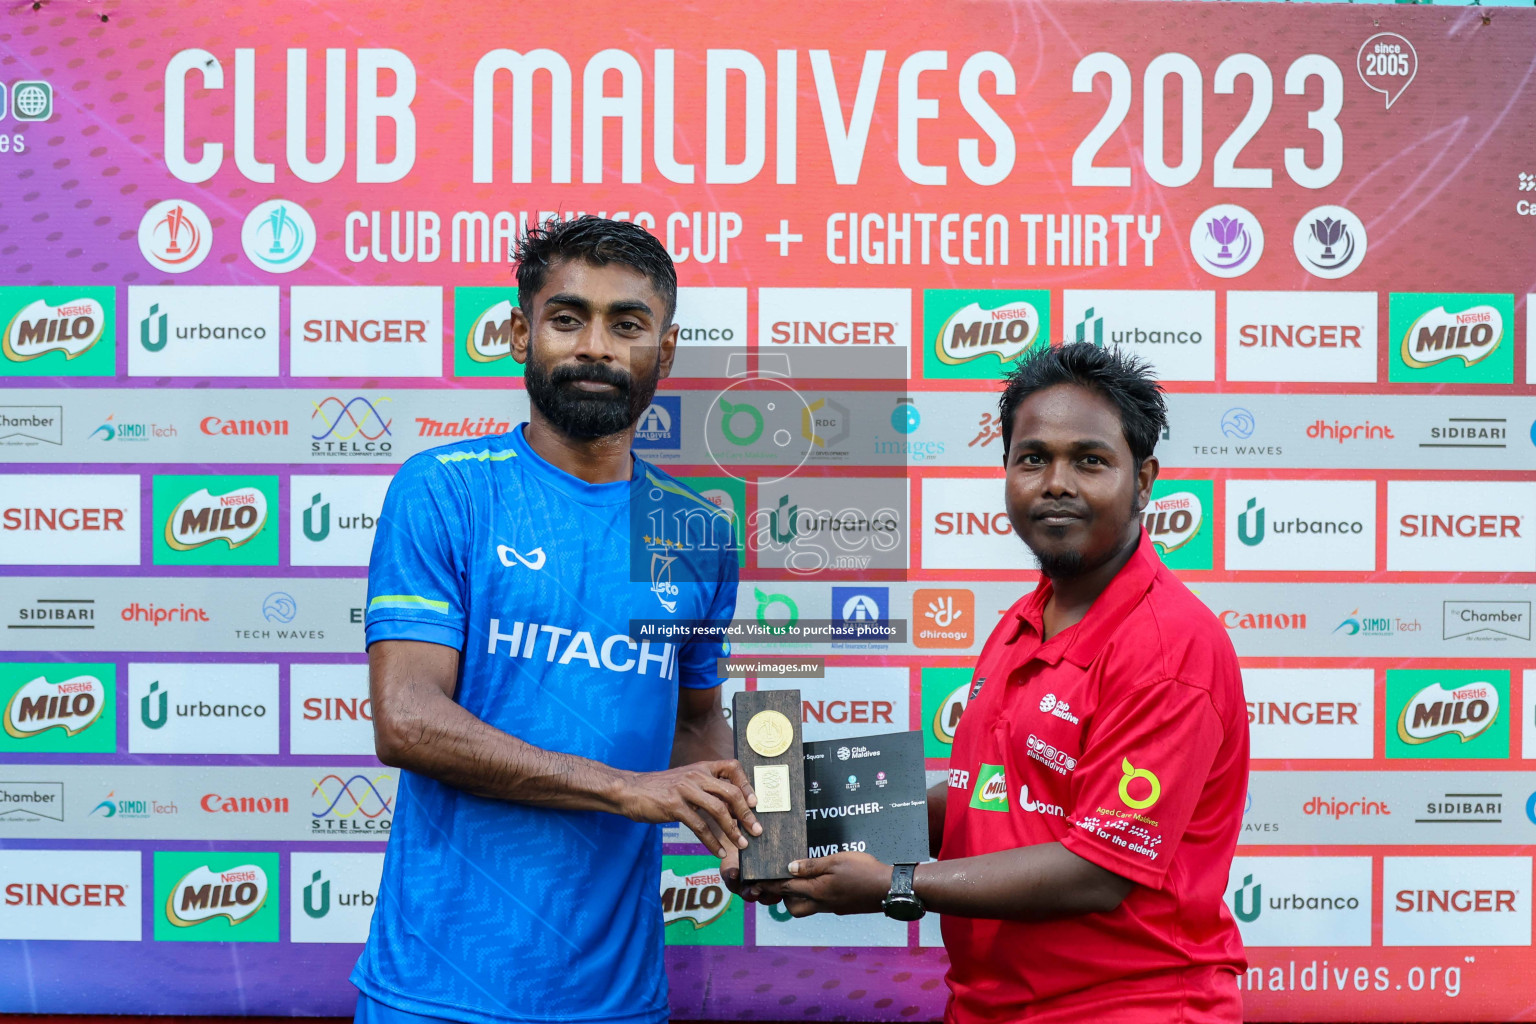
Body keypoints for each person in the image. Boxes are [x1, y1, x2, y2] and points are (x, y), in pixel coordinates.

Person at [761, 343, 1248, 1023]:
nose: (1055, 482)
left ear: (1144, 481)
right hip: (991, 1006)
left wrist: (892, 884)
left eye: (1089, 460)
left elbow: (1098, 871)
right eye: (1032, 458)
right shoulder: (1023, 623)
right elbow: (986, 794)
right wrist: (799, 826)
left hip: (1129, 1007)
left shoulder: (1170, 647)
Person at [353, 216, 756, 1024]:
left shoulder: (697, 529)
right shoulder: (447, 490)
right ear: (517, 332)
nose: (596, 348)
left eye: (628, 324)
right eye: (568, 318)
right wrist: (624, 788)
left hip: (618, 1000)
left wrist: (759, 837)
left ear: (664, 354)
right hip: (437, 994)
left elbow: (694, 725)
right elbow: (407, 720)